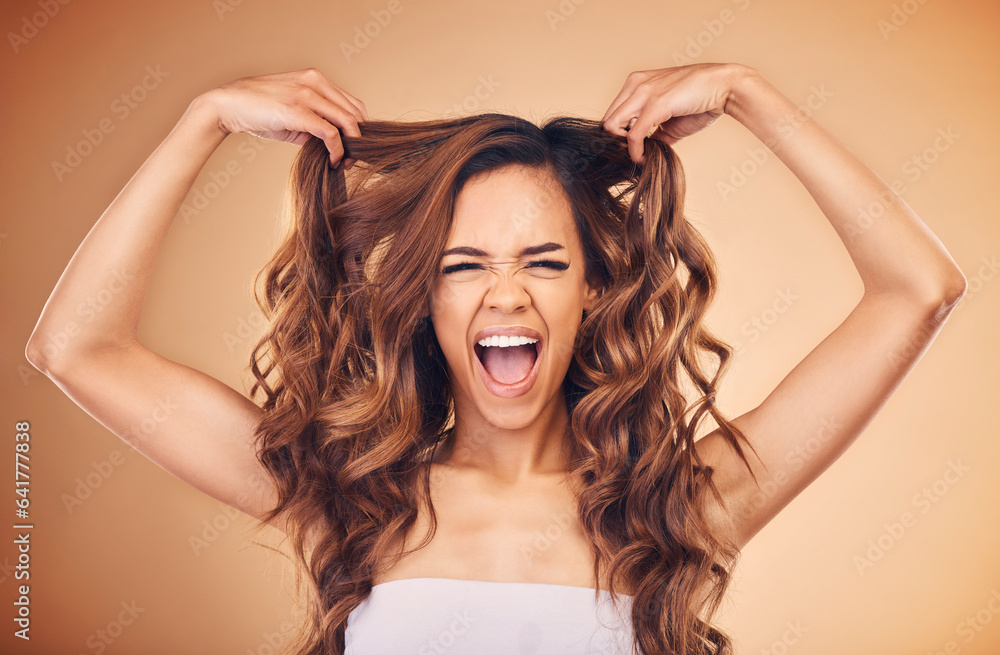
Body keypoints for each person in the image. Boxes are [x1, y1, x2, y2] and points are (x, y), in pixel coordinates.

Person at [26, 63, 967, 655]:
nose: (505, 295)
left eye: (544, 263)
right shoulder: (351, 500)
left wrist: (752, 96)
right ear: (424, 299)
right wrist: (202, 121)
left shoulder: (683, 505)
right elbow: (77, 346)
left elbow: (917, 289)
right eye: (462, 266)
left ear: (593, 288)